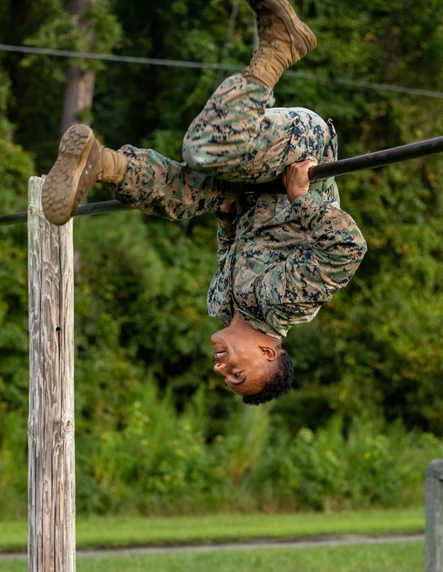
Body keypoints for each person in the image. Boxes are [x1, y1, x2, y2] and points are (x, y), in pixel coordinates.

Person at [42, 0, 366, 404]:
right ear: (267, 352)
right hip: (299, 157)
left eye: (224, 375)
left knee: (180, 198)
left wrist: (227, 219)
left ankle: (100, 163)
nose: (220, 368)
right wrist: (301, 197)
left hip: (250, 195)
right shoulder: (287, 304)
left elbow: (232, 250)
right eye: (237, 373)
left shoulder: (222, 303)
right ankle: (280, 49)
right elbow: (348, 249)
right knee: (205, 149)